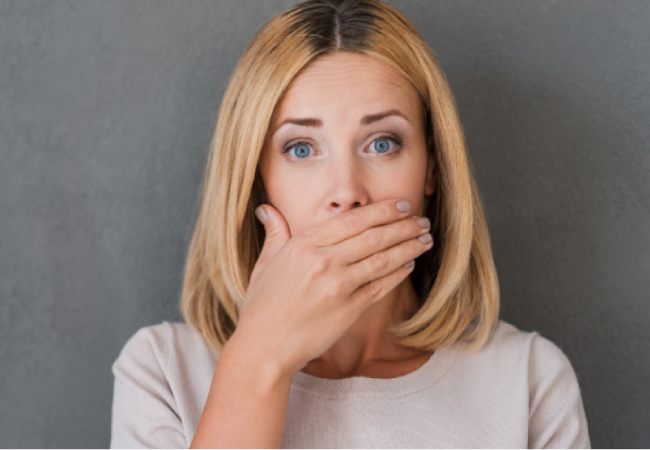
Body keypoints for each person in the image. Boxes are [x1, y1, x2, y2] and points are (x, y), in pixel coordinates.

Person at [110, 0, 591, 448]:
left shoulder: (527, 379)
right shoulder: (164, 372)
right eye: (301, 149)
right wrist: (258, 358)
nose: (347, 192)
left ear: (433, 170)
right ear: (256, 185)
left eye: (382, 143)